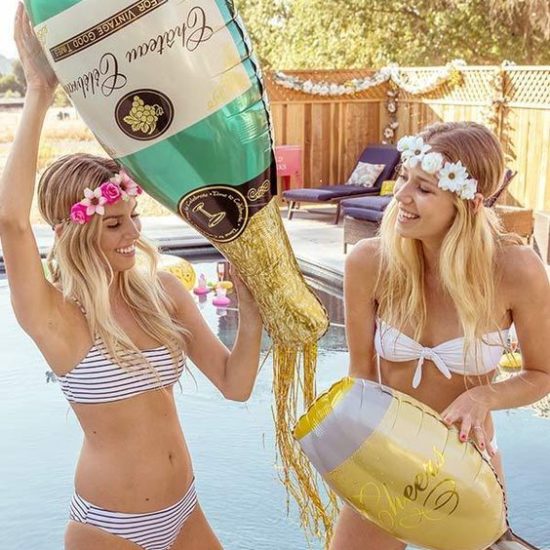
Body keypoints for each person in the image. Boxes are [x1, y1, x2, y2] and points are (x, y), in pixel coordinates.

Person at [0, 6, 263, 549]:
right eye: (114, 224)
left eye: (133, 217)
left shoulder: (162, 293)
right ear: (73, 232)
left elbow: (235, 386)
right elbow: (11, 223)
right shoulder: (57, 318)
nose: (132, 233)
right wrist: (39, 90)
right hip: (110, 529)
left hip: (185, 510)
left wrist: (252, 310)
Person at [330, 121, 550, 549]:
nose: (401, 195)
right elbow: (362, 376)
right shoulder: (369, 262)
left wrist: (484, 396)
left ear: (469, 203)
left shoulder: (516, 270)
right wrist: (352, 455)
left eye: (424, 188)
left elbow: (542, 374)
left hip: (469, 466)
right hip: (387, 457)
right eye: (404, 178)